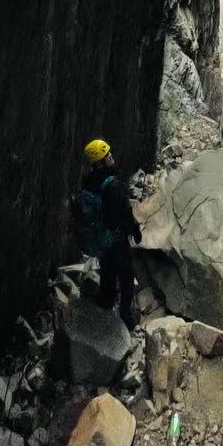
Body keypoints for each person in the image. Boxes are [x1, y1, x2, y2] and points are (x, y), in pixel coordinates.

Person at [74, 138, 142, 330]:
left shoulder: (89, 181)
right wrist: (134, 229)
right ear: (100, 161)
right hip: (117, 240)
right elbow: (121, 213)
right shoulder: (112, 184)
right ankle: (126, 318)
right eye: (107, 156)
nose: (112, 157)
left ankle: (103, 313)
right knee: (127, 277)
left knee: (107, 277)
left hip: (101, 241)